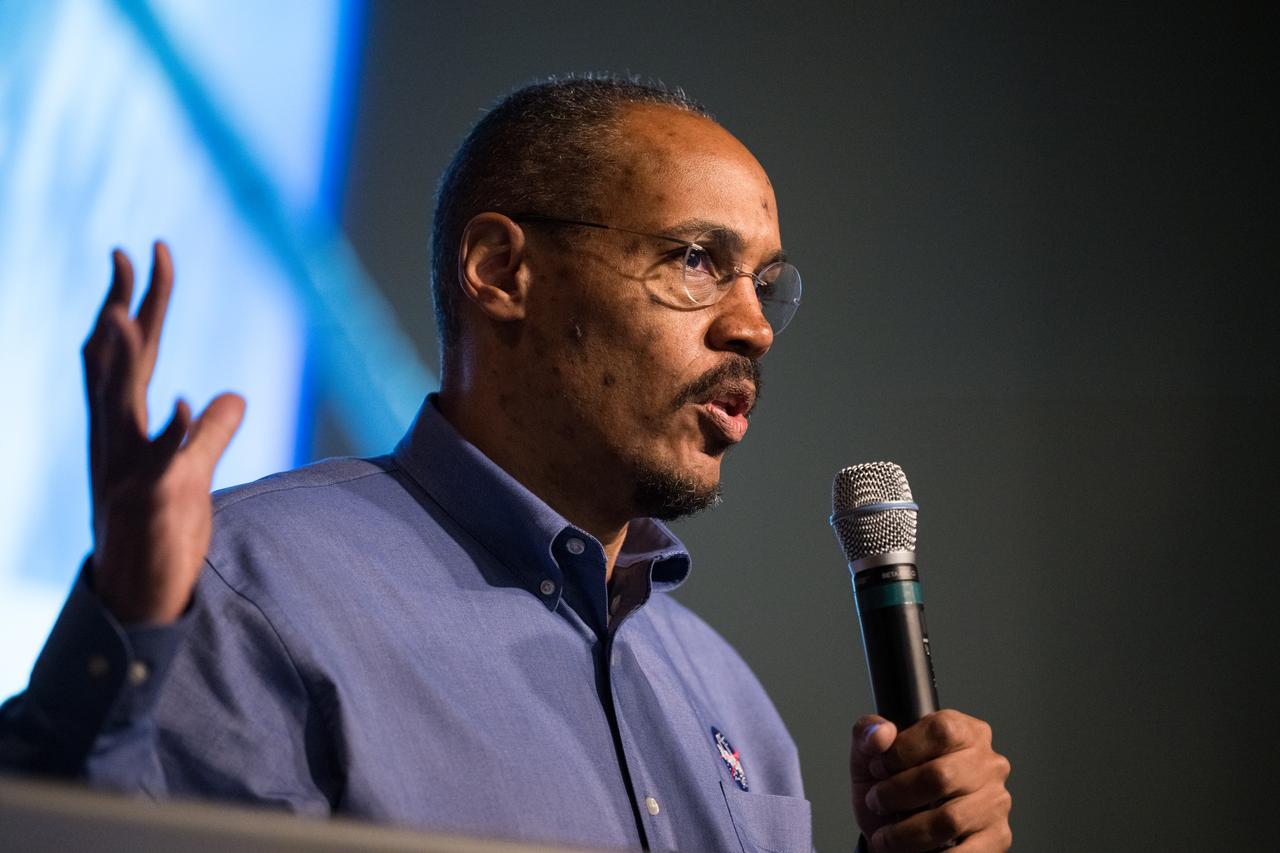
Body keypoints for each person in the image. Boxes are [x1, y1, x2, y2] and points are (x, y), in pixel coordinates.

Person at [1, 78, 1011, 852]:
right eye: (694, 261)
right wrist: (126, 625)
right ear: (501, 271)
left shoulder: (729, 698)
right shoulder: (247, 586)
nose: (751, 326)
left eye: (764, 284)